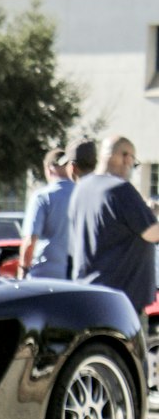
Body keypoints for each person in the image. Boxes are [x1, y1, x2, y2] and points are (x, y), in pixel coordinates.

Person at [68, 134, 159, 313]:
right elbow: (152, 233)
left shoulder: (82, 189)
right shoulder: (120, 189)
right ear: (126, 158)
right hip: (120, 302)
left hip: (88, 293)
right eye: (134, 161)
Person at [18, 147, 74, 279]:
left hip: (45, 273)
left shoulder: (42, 197)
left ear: (48, 168)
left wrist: (22, 270)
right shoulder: (82, 194)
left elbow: (30, 241)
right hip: (75, 274)